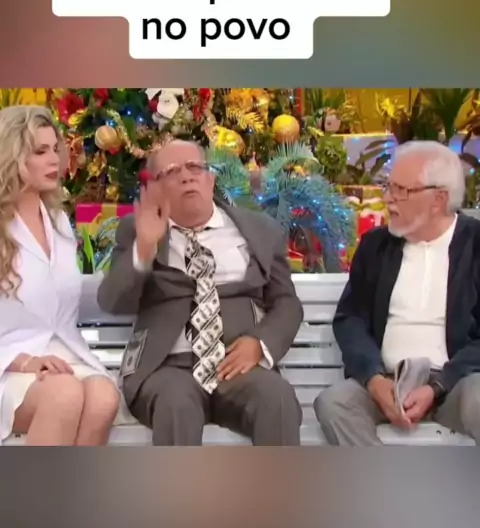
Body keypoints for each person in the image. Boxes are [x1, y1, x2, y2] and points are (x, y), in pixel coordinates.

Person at [97, 139, 303, 445]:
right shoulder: (138, 230)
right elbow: (112, 300)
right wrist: (145, 248)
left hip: (238, 365)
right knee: (176, 404)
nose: (186, 177)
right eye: (172, 171)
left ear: (210, 179)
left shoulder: (259, 230)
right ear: (155, 188)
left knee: (277, 398)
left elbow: (286, 302)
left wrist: (260, 344)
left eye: (194, 167)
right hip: (167, 368)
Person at [315, 140, 480, 445]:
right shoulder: (376, 245)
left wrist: (438, 386)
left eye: (401, 190)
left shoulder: (475, 244)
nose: (388, 198)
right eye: (388, 186)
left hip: (457, 383)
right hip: (388, 381)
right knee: (334, 403)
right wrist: (373, 378)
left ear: (438, 199)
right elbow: (350, 318)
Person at [0, 105, 120, 445]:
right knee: (64, 395)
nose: (54, 160)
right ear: (11, 157)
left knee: (103, 398)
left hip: (63, 356)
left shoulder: (58, 221)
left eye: (55, 149)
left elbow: (67, 293)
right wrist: (24, 361)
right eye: (40, 152)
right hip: (10, 363)